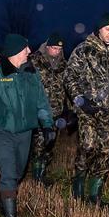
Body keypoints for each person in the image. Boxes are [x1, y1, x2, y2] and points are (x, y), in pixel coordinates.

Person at [0, 34, 55, 217]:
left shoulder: (31, 73)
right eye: (25, 48)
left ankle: (3, 196)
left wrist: (47, 124)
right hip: (3, 131)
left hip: (25, 132)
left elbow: (41, 102)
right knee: (9, 172)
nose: (29, 51)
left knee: (18, 171)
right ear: (14, 52)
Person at [64, 13, 109, 207]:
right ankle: (78, 184)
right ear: (98, 30)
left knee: (106, 153)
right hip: (88, 111)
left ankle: (95, 194)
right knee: (88, 147)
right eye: (107, 29)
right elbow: (69, 77)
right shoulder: (84, 50)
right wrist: (79, 99)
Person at [27, 32, 68, 186]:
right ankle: (37, 178)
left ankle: (42, 172)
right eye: (54, 48)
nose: (56, 51)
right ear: (47, 46)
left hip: (56, 112)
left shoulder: (64, 65)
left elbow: (67, 88)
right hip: (37, 111)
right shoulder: (34, 61)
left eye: (59, 49)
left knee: (50, 144)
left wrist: (68, 110)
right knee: (39, 144)